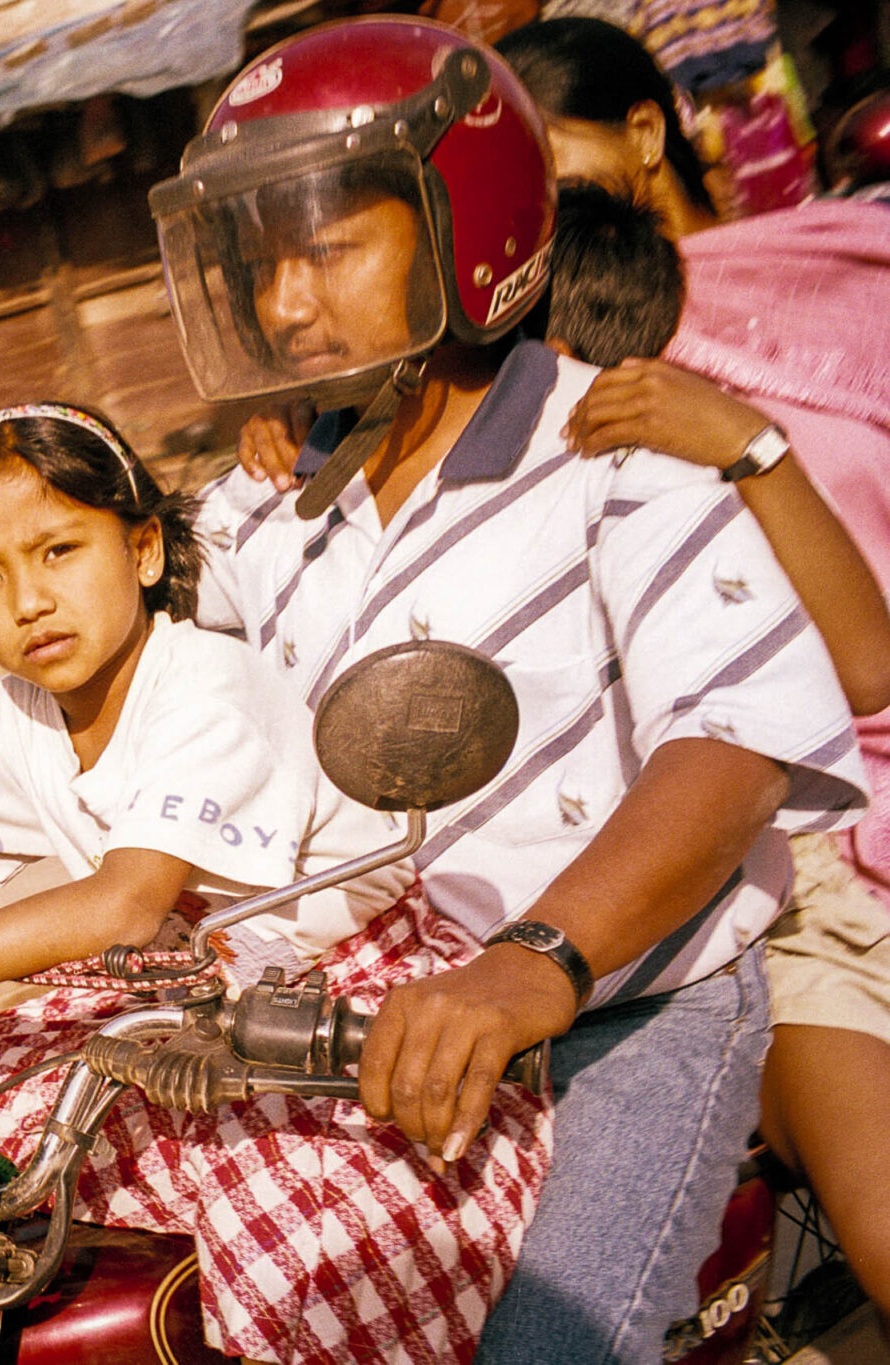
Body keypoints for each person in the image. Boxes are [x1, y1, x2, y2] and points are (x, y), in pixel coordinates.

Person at [0, 18, 869, 1364]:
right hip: (343, 1017)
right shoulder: (272, 508)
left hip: (627, 1011)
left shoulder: (616, 454)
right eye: (261, 255)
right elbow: (65, 686)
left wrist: (537, 966)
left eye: (326, 247)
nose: (282, 301)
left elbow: (730, 749)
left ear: (471, 224)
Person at [0, 400, 551, 1361]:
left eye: (59, 551)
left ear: (143, 551)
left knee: (294, 1275)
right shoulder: (19, 713)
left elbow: (125, 900)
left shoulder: (203, 683)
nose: (28, 600)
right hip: (175, 1021)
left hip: (335, 1021)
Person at [496, 16, 890, 1336]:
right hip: (791, 854)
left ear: (648, 135)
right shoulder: (549, 374)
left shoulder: (808, 277)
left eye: (552, 172)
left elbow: (864, 658)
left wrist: (749, 442)